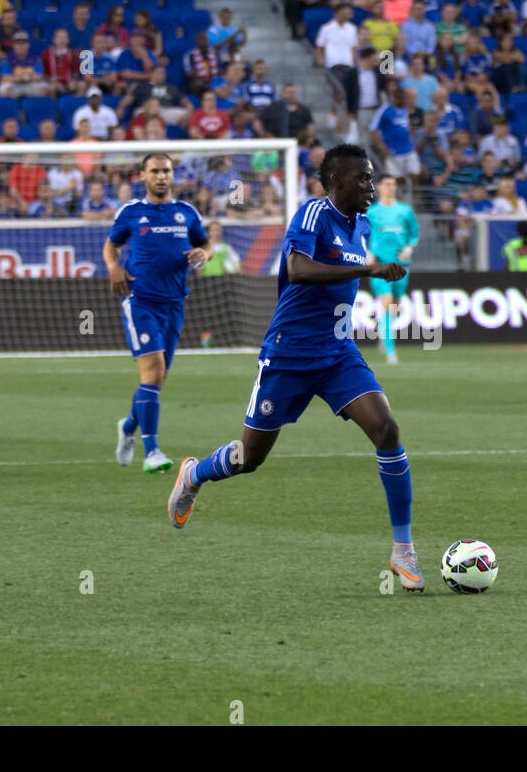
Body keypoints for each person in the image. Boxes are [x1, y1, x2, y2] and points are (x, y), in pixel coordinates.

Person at [165, 146, 421, 587]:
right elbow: (299, 269)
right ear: (337, 181)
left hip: (338, 352)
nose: (371, 187)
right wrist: (371, 268)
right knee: (249, 458)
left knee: (387, 430)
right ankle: (195, 473)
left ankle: (404, 551)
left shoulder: (361, 224)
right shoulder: (312, 214)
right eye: (363, 179)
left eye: (373, 178)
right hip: (289, 352)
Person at [106, 154, 214, 474]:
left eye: (166, 171)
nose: (161, 176)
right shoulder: (131, 213)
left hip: (175, 303)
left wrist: (203, 254)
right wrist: (113, 267)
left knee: (157, 378)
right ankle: (151, 450)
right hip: (140, 300)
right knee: (153, 374)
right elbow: (111, 245)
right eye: (155, 171)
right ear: (143, 176)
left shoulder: (186, 213)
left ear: (172, 175)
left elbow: (206, 244)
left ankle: (127, 427)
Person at [365, 174, 419, 365]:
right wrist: (367, 252)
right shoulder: (371, 212)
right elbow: (362, 236)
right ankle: (391, 352)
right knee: (387, 302)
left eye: (394, 184)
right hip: (379, 265)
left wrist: (409, 247)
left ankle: (383, 332)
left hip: (401, 266)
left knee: (395, 304)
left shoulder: (405, 211)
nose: (391, 188)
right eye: (387, 184)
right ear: (379, 186)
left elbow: (414, 234)